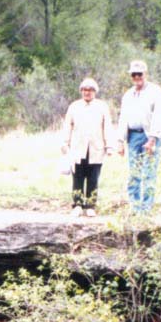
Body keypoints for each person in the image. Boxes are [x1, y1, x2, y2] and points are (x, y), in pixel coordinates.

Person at [115, 60, 161, 214]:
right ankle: (135, 207)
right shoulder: (128, 95)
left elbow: (160, 117)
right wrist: (120, 141)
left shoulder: (156, 92)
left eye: (139, 74)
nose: (137, 77)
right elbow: (123, 119)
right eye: (134, 74)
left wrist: (152, 139)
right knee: (134, 173)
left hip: (149, 137)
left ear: (145, 74)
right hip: (132, 137)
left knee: (148, 173)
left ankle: (146, 209)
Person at [60, 77, 115, 217]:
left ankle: (90, 205)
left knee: (93, 178)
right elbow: (67, 126)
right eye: (84, 90)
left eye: (90, 90)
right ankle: (77, 205)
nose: (87, 92)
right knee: (77, 177)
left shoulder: (102, 106)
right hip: (78, 148)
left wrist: (109, 146)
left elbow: (107, 126)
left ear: (95, 92)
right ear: (81, 91)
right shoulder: (74, 106)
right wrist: (64, 143)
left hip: (96, 148)